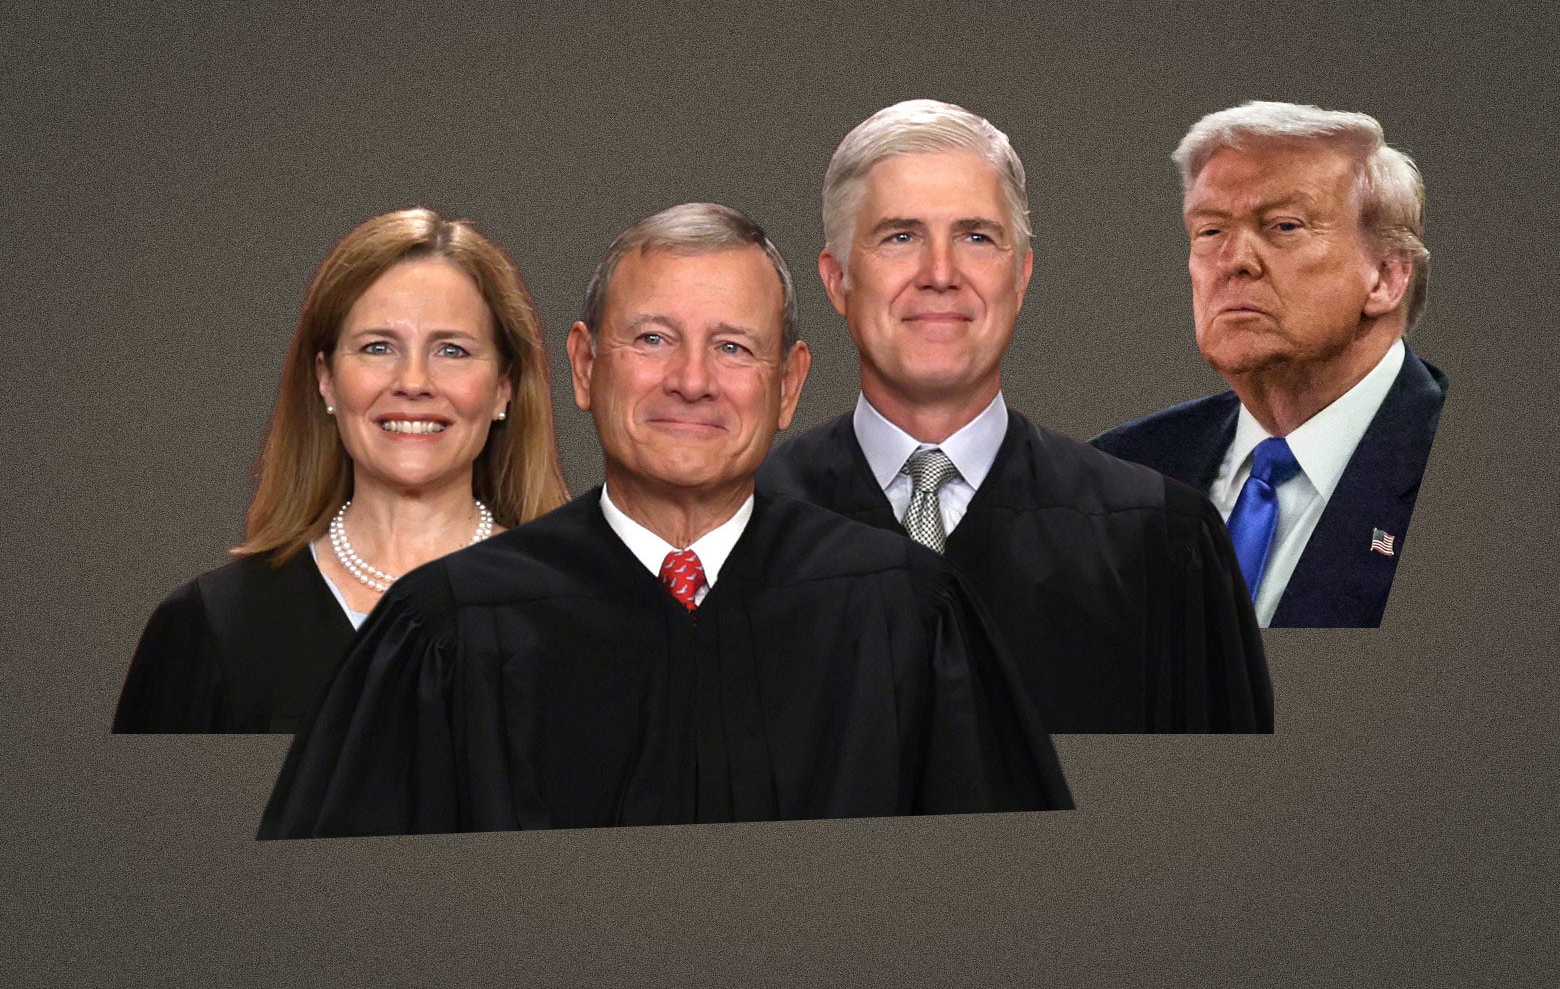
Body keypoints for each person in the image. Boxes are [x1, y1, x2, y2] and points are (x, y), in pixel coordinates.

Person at [259, 202, 1071, 838]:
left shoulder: (910, 612)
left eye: (732, 347)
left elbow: (1008, 904)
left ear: (788, 385)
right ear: (583, 366)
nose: (691, 381)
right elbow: (344, 918)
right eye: (652, 339)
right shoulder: (445, 626)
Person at [759, 99, 1272, 733]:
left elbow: (1226, 809)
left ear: (1021, 273)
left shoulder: (1163, 542)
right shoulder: (735, 533)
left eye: (976, 237)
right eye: (900, 237)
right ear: (837, 280)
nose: (940, 274)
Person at [112, 208, 569, 733]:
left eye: (452, 350)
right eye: (378, 347)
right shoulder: (212, 626)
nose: (413, 381)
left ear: (504, 388)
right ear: (326, 379)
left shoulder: (583, 625)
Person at [1093, 102, 1449, 629]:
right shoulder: (1113, 474)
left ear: (1385, 278)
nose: (1234, 260)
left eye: (1284, 226)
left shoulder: (1485, 482)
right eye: (1210, 231)